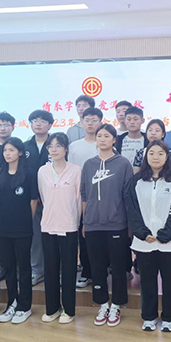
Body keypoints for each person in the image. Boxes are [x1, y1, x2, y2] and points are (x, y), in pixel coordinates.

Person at [125, 140, 171, 332]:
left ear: (167, 157)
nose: (156, 157)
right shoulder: (136, 181)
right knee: (147, 281)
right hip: (144, 242)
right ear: (146, 156)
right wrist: (143, 233)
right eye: (151, 153)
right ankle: (149, 317)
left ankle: (169, 318)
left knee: (170, 281)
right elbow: (131, 210)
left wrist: (165, 234)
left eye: (160, 153)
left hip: (170, 242)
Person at [81, 124, 134, 327]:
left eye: (106, 136)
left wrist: (129, 224)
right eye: (99, 136)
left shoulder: (123, 163)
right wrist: (85, 221)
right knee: (97, 268)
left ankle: (117, 305)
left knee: (118, 268)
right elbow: (84, 194)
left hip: (116, 224)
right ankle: (102, 303)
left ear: (114, 140)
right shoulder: (89, 165)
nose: (102, 139)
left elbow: (128, 195)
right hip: (93, 224)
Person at [0, 137, 39, 324]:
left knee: (24, 267)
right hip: (2, 228)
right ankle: (12, 302)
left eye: (11, 150)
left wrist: (26, 221)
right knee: (8, 268)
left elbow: (33, 201)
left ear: (20, 152)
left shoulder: (29, 173)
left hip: (22, 229)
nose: (7, 154)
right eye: (5, 150)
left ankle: (25, 306)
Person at [37, 133, 81, 324]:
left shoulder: (76, 170)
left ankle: (69, 310)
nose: (54, 150)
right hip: (48, 225)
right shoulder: (42, 171)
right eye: (50, 146)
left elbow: (78, 199)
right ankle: (52, 308)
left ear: (66, 148)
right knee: (50, 268)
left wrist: (75, 222)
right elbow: (43, 197)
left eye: (58, 146)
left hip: (69, 226)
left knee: (69, 269)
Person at [69, 107, 103, 288]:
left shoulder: (105, 144)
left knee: (100, 236)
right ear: (81, 123)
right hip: (80, 195)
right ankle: (86, 272)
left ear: (101, 122)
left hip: (102, 197)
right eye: (87, 120)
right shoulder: (74, 146)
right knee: (83, 235)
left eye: (94, 120)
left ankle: (101, 271)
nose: (90, 123)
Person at [24, 109, 54, 286]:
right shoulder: (25, 146)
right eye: (35, 121)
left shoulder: (56, 143)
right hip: (31, 198)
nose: (38, 124)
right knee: (35, 235)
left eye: (42, 121)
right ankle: (37, 269)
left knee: (54, 235)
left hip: (54, 198)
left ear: (50, 125)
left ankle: (56, 269)